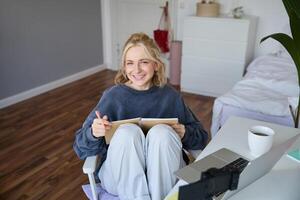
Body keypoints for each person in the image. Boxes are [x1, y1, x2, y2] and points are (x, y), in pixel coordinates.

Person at [73, 32, 208, 200]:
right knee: (127, 132)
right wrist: (94, 133)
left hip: (165, 177)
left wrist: (185, 132)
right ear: (124, 67)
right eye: (130, 63)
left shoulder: (170, 96)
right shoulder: (112, 97)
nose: (136, 70)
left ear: (156, 64)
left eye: (143, 62)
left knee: (162, 132)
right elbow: (80, 147)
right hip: (119, 178)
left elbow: (202, 138)